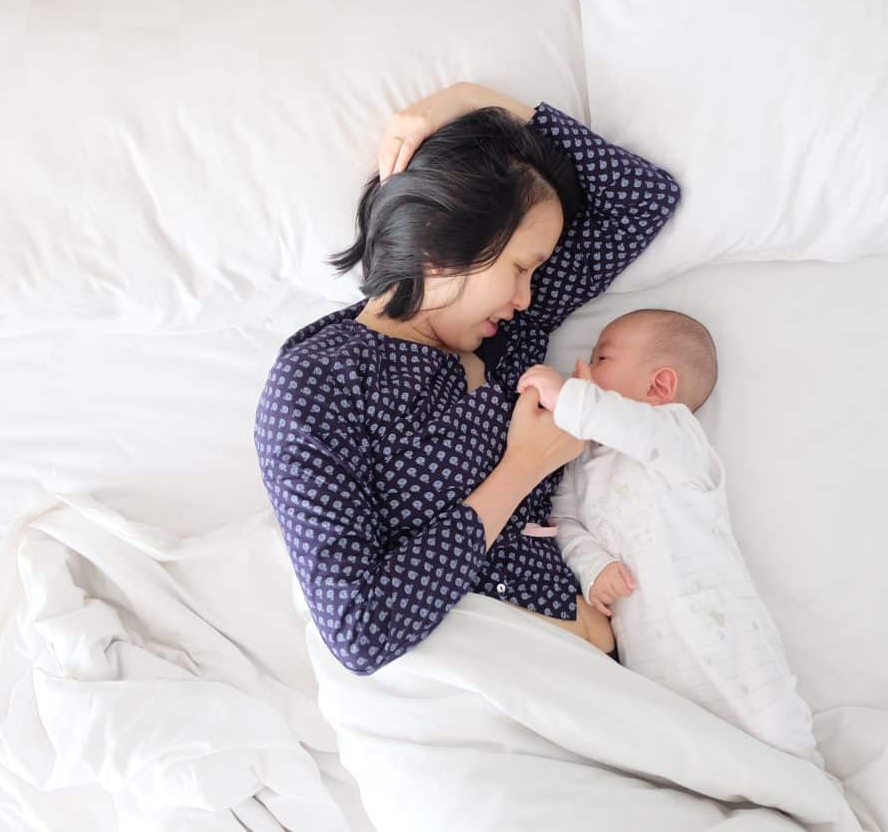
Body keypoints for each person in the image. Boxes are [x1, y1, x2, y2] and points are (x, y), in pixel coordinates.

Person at [255, 82, 679, 675]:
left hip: (599, 676)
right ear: (445, 243)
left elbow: (642, 199)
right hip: (481, 690)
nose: (529, 293)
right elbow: (359, 630)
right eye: (520, 268)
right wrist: (521, 469)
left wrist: (474, 101)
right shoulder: (318, 383)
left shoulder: (509, 332)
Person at [518, 309, 823, 764]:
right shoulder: (583, 461)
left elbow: (624, 424)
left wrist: (567, 395)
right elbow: (565, 523)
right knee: (687, 759)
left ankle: (808, 785)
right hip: (655, 667)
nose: (583, 369)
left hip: (727, 640)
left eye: (600, 359)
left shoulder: (676, 434)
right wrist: (593, 566)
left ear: (658, 388)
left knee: (776, 734)